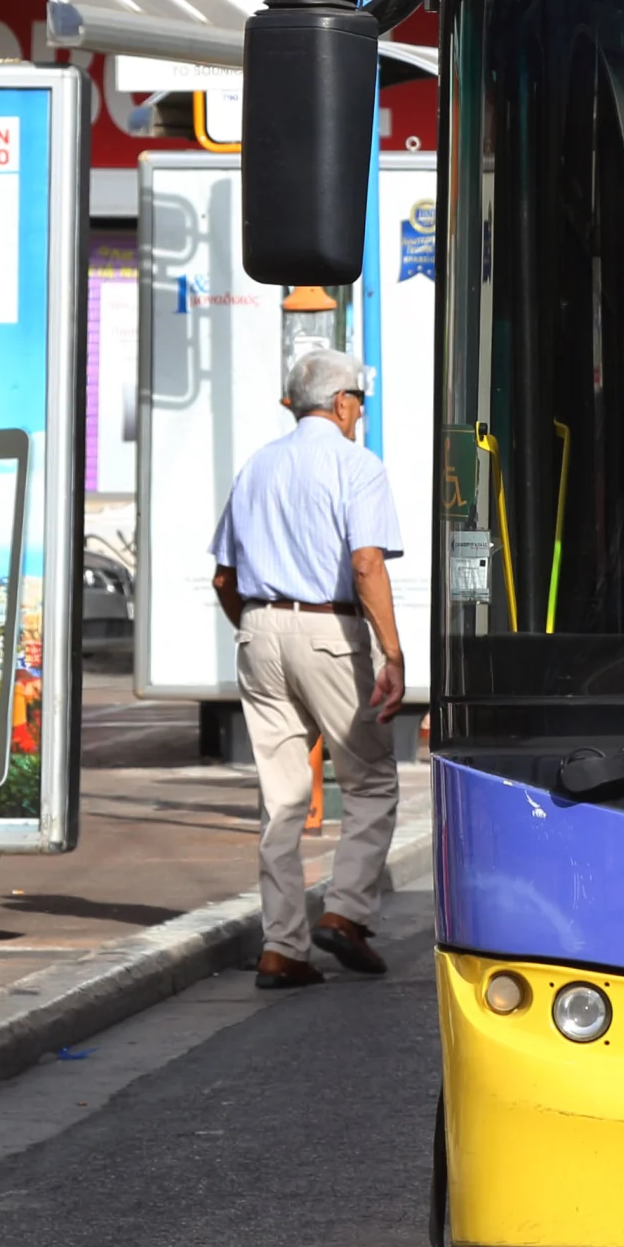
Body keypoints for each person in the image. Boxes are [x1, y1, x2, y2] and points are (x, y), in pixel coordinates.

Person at [210, 346, 405, 990]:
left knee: (282, 797)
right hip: (329, 628)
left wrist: (257, 626)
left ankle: (281, 947)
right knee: (371, 779)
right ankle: (346, 913)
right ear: (344, 402)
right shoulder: (357, 465)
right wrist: (393, 653)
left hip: (258, 628)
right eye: (359, 404)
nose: (359, 414)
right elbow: (367, 564)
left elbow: (222, 575)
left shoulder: (257, 467)